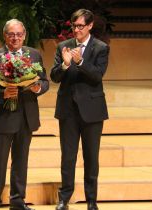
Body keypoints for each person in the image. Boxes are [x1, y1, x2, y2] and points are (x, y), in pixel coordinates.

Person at [0, 19, 49, 210]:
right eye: (11, 34)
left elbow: (44, 81)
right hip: (3, 117)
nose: (15, 38)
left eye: (19, 34)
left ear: (24, 35)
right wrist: (2, 94)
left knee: (21, 161)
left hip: (27, 117)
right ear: (5, 36)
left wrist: (38, 87)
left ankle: (17, 200)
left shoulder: (34, 54)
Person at [50, 9, 109, 210]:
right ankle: (63, 198)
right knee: (68, 157)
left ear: (90, 26)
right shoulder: (63, 47)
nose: (76, 30)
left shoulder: (101, 48)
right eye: (74, 26)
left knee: (91, 157)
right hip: (68, 110)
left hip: (92, 110)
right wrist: (65, 65)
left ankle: (91, 200)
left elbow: (97, 76)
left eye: (80, 26)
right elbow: (54, 77)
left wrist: (81, 62)